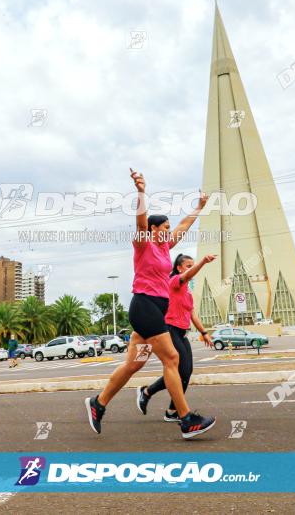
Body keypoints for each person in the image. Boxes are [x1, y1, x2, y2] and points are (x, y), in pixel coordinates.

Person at [85, 168, 216, 439]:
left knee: (135, 363)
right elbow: (141, 222)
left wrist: (199, 208)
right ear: (154, 230)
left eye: (169, 228)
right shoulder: (143, 243)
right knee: (172, 358)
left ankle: (98, 403)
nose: (169, 232)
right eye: (164, 228)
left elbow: (183, 227)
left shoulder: (164, 248)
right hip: (144, 306)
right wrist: (141, 192)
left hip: (154, 309)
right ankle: (186, 419)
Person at [137, 253, 215, 422]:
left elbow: (192, 314)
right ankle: (174, 409)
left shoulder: (187, 292)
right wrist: (202, 261)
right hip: (169, 329)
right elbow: (187, 275)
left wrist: (204, 333)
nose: (192, 269)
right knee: (181, 370)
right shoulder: (174, 281)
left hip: (182, 332)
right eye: (189, 266)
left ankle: (169, 409)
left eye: (193, 265)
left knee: (186, 372)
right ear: (179, 268)